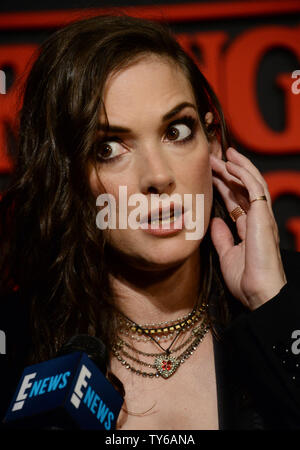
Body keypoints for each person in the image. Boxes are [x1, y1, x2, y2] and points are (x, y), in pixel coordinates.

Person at [0, 14, 299, 430]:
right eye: (108, 148)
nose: (157, 177)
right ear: (64, 176)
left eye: (176, 131)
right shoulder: (16, 343)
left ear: (212, 143)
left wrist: (272, 307)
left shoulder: (288, 302)